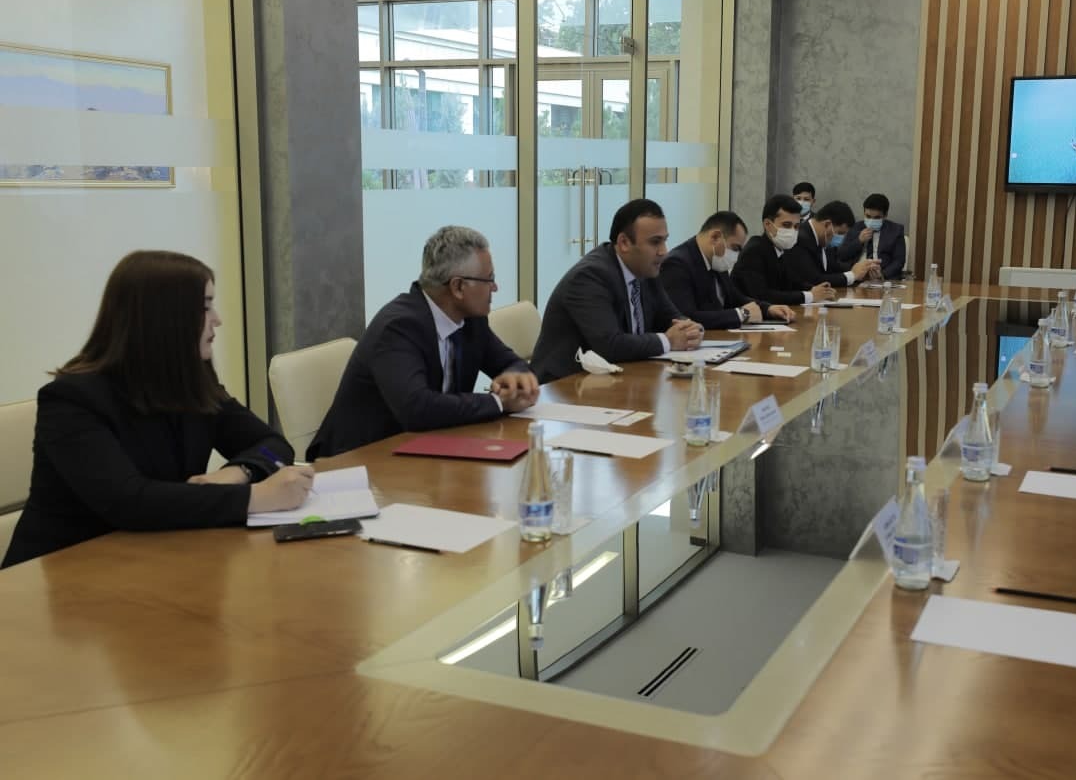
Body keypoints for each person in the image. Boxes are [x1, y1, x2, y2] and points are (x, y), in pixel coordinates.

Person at [2, 251, 312, 569]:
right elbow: (129, 501)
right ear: (166, 318)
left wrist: (237, 473)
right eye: (206, 306)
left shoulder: (191, 383)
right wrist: (256, 498)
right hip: (60, 575)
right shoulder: (72, 401)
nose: (217, 319)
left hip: (150, 560)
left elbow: (273, 446)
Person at [308, 227, 539, 460]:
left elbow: (510, 363)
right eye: (489, 279)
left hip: (429, 449)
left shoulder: (471, 320)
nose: (495, 288)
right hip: (361, 460)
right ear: (458, 287)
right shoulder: (399, 327)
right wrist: (498, 402)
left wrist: (518, 378)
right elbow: (417, 408)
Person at [531, 199, 703, 383]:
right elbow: (610, 345)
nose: (664, 251)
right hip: (564, 384)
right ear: (624, 243)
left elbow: (672, 318)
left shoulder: (645, 270)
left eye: (664, 241)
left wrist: (691, 330)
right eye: (655, 242)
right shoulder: (589, 277)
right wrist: (668, 341)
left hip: (616, 378)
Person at [659, 211, 796, 330]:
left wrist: (768, 309)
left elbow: (735, 298)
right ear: (715, 237)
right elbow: (686, 317)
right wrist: (741, 314)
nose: (736, 256)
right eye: (735, 248)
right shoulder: (677, 264)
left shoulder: (716, 260)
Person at [731, 194, 838, 306]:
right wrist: (810, 296)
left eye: (796, 226)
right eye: (786, 225)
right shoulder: (754, 251)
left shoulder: (782, 249)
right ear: (768, 224)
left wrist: (815, 289)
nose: (792, 231)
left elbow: (792, 283)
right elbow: (762, 295)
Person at [784, 200, 881, 289]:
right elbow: (814, 280)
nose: (841, 239)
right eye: (840, 233)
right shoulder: (800, 239)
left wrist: (863, 270)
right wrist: (853, 275)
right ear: (827, 224)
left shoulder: (822, 239)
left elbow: (834, 267)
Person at [837, 193, 909, 280]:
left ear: (885, 215)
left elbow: (899, 261)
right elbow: (841, 255)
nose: (871, 221)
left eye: (877, 218)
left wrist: (882, 275)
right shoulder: (855, 227)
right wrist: (859, 241)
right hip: (856, 277)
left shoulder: (896, 230)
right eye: (868, 216)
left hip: (883, 278)